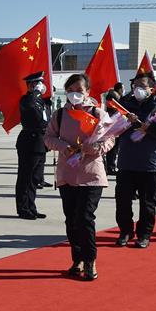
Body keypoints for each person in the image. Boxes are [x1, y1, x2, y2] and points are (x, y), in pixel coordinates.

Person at [43, 73, 114, 281]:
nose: (75, 95)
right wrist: (65, 147)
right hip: (67, 174)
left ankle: (90, 259)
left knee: (85, 217)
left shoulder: (98, 114)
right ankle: (78, 258)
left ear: (87, 92)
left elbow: (110, 140)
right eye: (71, 90)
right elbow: (48, 138)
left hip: (91, 174)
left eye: (79, 91)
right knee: (72, 220)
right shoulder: (60, 115)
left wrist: (91, 148)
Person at [114, 72, 156, 248]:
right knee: (122, 200)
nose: (138, 89)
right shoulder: (125, 104)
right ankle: (125, 231)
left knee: (147, 202)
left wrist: (148, 127)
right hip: (126, 161)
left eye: (142, 86)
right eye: (135, 86)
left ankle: (144, 234)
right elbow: (112, 128)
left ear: (151, 88)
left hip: (150, 163)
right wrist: (123, 122)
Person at [15, 71, 50, 219]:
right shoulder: (26, 100)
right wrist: (36, 93)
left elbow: (46, 119)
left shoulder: (41, 101)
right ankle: (23, 208)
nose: (41, 86)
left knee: (35, 178)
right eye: (37, 83)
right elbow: (32, 111)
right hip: (29, 141)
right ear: (30, 86)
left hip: (41, 142)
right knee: (26, 177)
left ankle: (31, 206)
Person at [104, 82, 125, 174]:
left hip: (116, 123)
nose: (123, 90)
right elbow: (114, 109)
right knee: (113, 147)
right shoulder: (113, 96)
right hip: (114, 123)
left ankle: (111, 166)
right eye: (122, 88)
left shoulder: (114, 96)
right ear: (120, 89)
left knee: (114, 148)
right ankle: (110, 167)